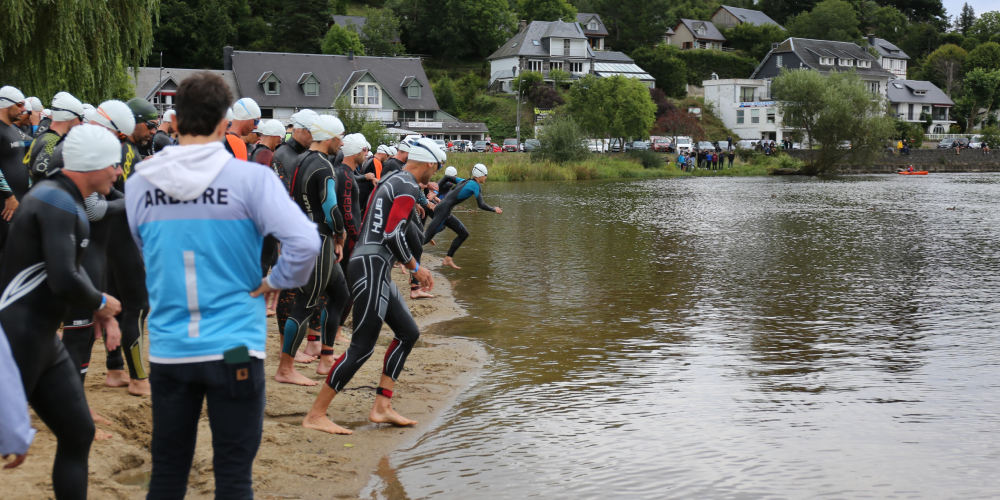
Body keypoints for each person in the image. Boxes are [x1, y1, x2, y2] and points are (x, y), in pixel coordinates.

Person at [125, 71, 320, 499]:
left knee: (168, 472)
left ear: (174, 122)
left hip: (172, 347)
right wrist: (275, 281)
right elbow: (306, 242)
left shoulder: (141, 182)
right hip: (234, 346)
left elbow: (142, 247)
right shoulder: (251, 180)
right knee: (233, 475)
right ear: (222, 124)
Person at [1, 123, 125, 500]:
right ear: (92, 165)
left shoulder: (63, 198)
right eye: (114, 165)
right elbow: (63, 278)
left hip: (41, 339)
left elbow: (62, 275)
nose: (118, 173)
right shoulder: (53, 202)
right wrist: (103, 303)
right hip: (16, 340)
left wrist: (100, 311)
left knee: (78, 433)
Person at [302, 137, 442, 436]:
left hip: (372, 265)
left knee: (408, 333)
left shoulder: (394, 178)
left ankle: (382, 407)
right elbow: (392, 234)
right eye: (436, 168)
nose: (435, 174)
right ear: (429, 163)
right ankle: (316, 414)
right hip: (371, 267)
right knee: (361, 347)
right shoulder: (406, 186)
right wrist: (416, 268)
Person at [276, 114, 350, 386]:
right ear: (330, 138)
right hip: (317, 241)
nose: (341, 144)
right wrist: (340, 236)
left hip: (302, 236)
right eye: (340, 139)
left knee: (340, 294)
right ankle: (285, 369)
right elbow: (331, 210)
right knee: (305, 304)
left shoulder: (300, 159)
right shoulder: (324, 166)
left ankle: (326, 357)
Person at [423, 163, 502, 269]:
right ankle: (403, 255)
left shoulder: (464, 181)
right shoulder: (475, 185)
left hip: (445, 211)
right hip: (442, 211)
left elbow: (446, 177)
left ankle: (448, 258)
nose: (486, 177)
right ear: (480, 175)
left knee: (463, 234)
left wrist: (436, 193)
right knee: (426, 238)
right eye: (485, 175)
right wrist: (494, 209)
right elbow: (481, 205)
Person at [26, 91, 84, 183]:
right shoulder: (52, 140)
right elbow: (39, 171)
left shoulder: (46, 133)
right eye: (81, 117)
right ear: (68, 117)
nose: (82, 123)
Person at [0, 86, 32, 251]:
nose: (24, 109)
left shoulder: (14, 130)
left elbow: (34, 143)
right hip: (6, 204)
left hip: (19, 201)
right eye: (19, 104)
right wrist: (9, 196)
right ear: (5, 104)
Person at [271, 109, 317, 190]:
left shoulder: (310, 153)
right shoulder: (282, 154)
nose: (315, 137)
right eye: (312, 132)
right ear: (298, 128)